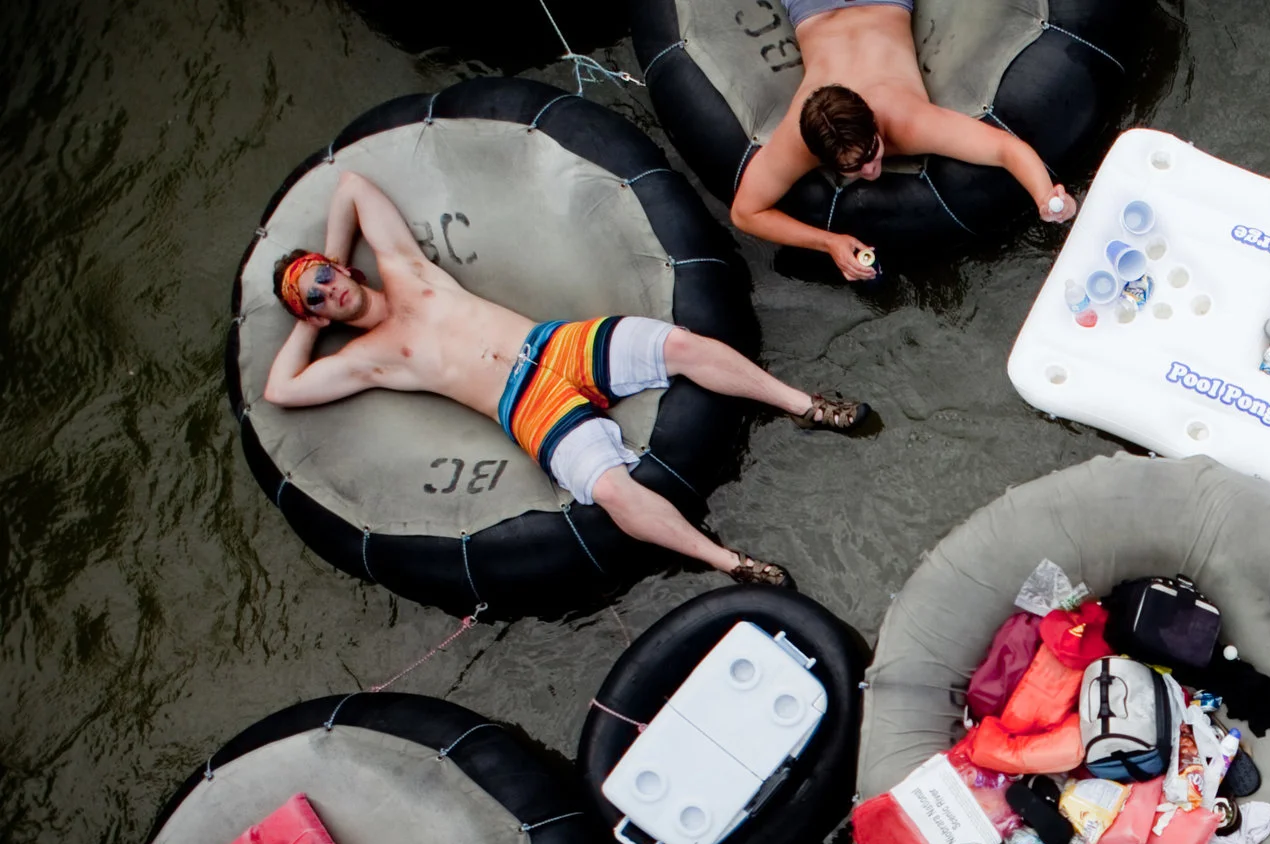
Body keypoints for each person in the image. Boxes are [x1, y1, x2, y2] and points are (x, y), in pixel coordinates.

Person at [260, 171, 872, 587]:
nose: (332, 287)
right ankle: (729, 560)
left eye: (326, 274)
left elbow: (351, 186)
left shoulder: (402, 267)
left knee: (678, 344)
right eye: (317, 295)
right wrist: (308, 322)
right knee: (607, 490)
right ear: (316, 312)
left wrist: (330, 257)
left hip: (552, 343)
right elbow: (281, 389)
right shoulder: (369, 356)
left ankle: (805, 405)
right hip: (524, 404)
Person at [731, 0, 1077, 279]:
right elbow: (744, 213)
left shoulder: (905, 120)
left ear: (874, 122)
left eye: (871, 151)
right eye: (852, 167)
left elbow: (1005, 148)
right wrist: (828, 242)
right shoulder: (801, 137)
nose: (870, 171)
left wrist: (1045, 195)